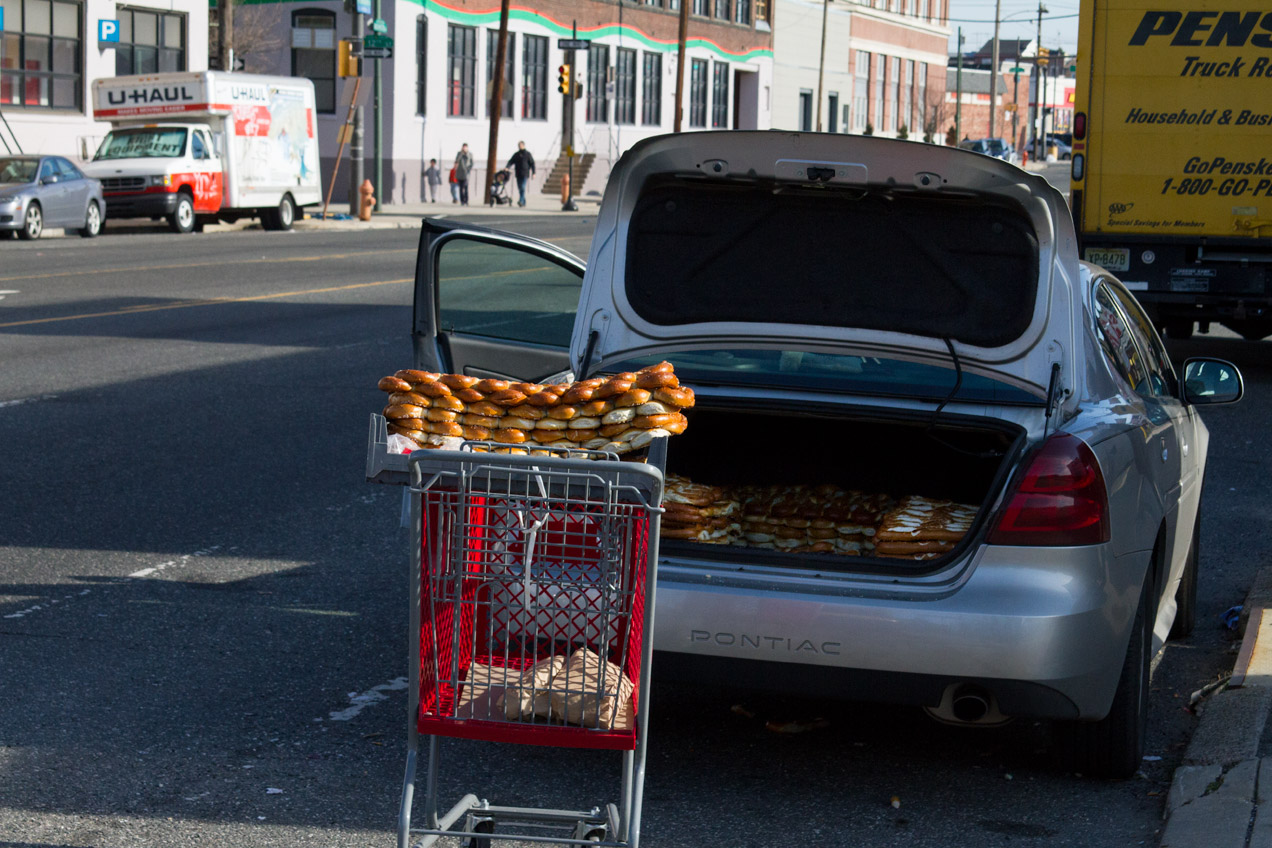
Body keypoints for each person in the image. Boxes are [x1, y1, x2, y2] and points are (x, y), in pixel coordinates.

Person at [506, 141, 536, 207]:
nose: (519, 146)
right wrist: (507, 167)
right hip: (518, 173)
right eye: (519, 145)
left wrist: (534, 173)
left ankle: (521, 201)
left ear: (523, 145)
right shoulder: (516, 154)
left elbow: (532, 164)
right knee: (520, 188)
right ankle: (523, 202)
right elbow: (511, 161)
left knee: (522, 187)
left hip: (525, 174)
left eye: (521, 145)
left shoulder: (527, 154)